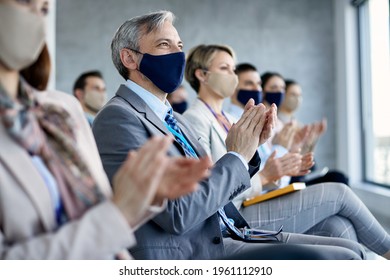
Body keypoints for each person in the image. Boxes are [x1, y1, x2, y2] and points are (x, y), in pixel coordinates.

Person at [93, 11, 371, 260]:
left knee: (346, 240)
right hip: (194, 252)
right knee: (342, 258)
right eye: (164, 45)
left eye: (179, 46)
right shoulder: (118, 118)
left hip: (230, 231)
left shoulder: (173, 119)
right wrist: (236, 155)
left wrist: (249, 150)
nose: (177, 55)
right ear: (129, 58)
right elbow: (177, 215)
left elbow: (211, 188)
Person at [0, 0, 210, 259]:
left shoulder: (61, 111)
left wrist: (142, 197)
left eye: (44, 8)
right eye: (23, 3)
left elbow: (103, 221)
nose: (35, 16)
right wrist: (120, 212)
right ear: (129, 58)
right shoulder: (116, 116)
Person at [280, 79, 349, 185]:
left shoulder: (298, 124)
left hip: (303, 172)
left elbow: (309, 160)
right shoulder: (278, 123)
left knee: (340, 177)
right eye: (293, 94)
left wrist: (313, 139)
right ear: (283, 95)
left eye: (300, 95)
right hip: (289, 178)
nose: (297, 99)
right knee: (338, 178)